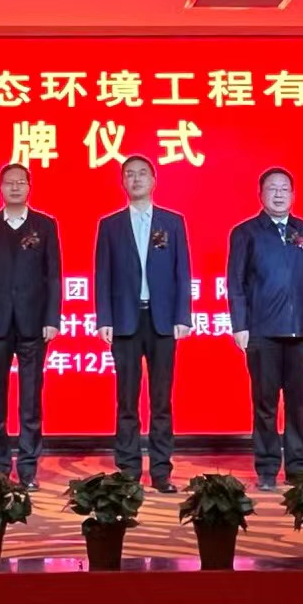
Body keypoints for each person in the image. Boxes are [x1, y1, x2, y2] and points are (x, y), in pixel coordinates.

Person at [94, 155, 192, 494]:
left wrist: (182, 315)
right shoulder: (110, 225)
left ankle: (161, 471)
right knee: (127, 400)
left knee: (161, 400)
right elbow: (102, 275)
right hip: (125, 320)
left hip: (162, 320)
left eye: (142, 174)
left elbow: (182, 272)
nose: (136, 179)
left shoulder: (172, 222)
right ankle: (128, 471)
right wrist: (104, 318)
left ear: (153, 180)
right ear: (122, 182)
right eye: (129, 175)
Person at [227, 167, 303, 491]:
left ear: (293, 194)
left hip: (301, 331)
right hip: (261, 332)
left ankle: (298, 469)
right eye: (272, 188)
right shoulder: (246, 232)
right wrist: (240, 325)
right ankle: (268, 469)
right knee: (265, 403)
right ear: (260, 194)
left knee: (299, 403)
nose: (279, 194)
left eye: (285, 188)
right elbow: (236, 283)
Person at [0, 163, 62, 491]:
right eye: (10, 183)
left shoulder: (45, 225)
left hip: (34, 323)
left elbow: (53, 275)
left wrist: (52, 319)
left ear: (29, 187)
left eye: (21, 182)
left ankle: (29, 467)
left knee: (31, 399)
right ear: (0, 187)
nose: (16, 187)